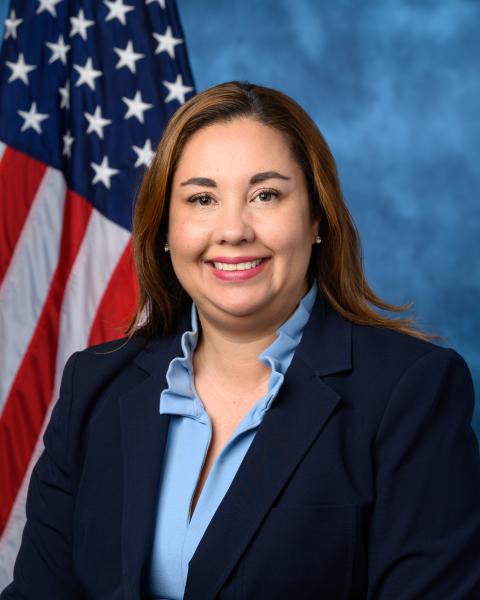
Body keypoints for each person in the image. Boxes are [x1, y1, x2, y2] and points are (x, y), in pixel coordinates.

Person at [2, 81, 480, 600]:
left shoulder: (410, 391)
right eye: (202, 198)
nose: (233, 230)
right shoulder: (94, 384)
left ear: (316, 219)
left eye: (266, 195)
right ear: (165, 229)